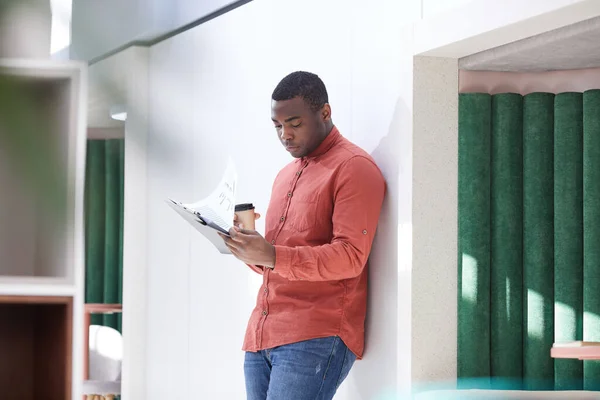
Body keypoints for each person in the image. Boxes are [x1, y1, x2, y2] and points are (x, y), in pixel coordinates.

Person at [220, 71, 385, 400]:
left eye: (294, 123)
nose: (285, 134)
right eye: (278, 126)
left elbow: (350, 257)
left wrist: (272, 255)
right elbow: (274, 261)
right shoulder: (285, 175)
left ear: (325, 112)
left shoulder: (353, 167)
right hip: (261, 336)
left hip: (314, 336)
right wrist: (247, 247)